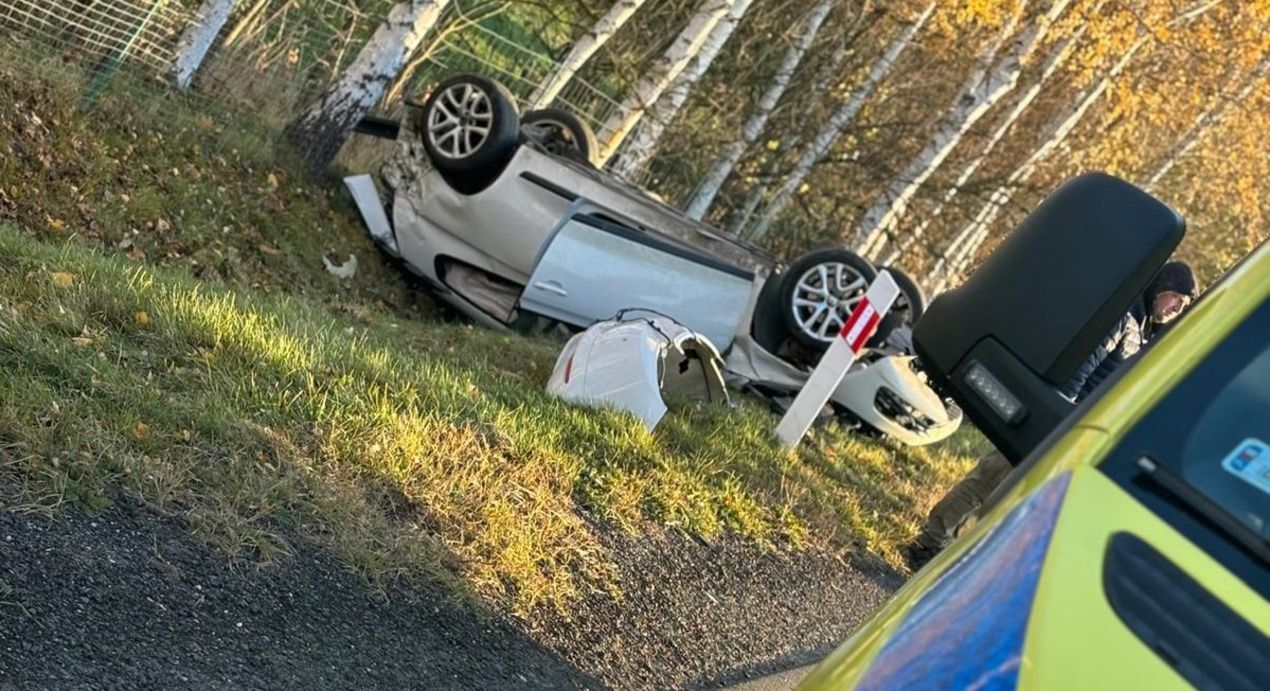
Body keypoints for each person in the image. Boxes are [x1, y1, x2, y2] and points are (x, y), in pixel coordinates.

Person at [902, 261, 1197, 571]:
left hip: (1066, 427)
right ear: (1159, 289)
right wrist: (1056, 422)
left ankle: (949, 554)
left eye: (1183, 304)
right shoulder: (1123, 319)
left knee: (1006, 497)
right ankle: (927, 543)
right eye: (1175, 296)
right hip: (1052, 422)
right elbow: (1081, 372)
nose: (1176, 306)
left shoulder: (1142, 331)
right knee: (987, 479)